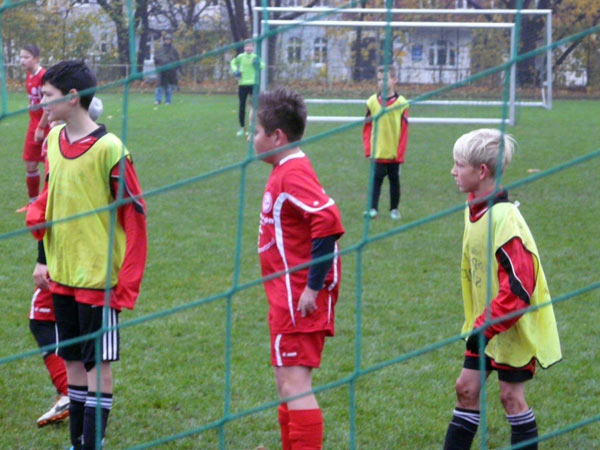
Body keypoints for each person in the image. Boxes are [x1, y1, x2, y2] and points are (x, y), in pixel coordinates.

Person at [26, 60, 147, 449]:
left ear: (72, 97)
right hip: (62, 276)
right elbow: (50, 203)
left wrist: (127, 280)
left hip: (98, 280)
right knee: (74, 362)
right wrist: (44, 257)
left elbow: (135, 217)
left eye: (48, 95)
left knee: (97, 366)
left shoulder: (111, 150)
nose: (41, 102)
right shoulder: (53, 141)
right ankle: (78, 443)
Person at [444, 129, 562, 450]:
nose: (453, 171)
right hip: (487, 324)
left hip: (511, 326)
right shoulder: (474, 208)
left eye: (459, 165)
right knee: (466, 390)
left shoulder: (505, 220)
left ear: (481, 171)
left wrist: (486, 326)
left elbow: (519, 289)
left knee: (511, 398)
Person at [254, 87, 345, 450]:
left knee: (296, 385)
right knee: (286, 384)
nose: (252, 138)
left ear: (277, 136)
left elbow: (328, 220)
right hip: (284, 295)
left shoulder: (293, 173)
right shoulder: (284, 170)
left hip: (299, 298)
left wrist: (312, 287)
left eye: (256, 131)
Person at [28, 96, 104, 429]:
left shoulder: (62, 144)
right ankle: (81, 396)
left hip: (66, 255)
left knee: (44, 319)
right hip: (83, 252)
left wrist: (42, 258)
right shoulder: (90, 142)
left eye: (49, 97)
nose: (44, 104)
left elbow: (52, 205)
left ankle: (72, 394)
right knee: (76, 329)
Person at [362, 65, 409, 220]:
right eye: (379, 79)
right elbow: (367, 128)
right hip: (377, 152)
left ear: (394, 80)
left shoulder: (402, 103)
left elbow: (404, 131)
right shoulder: (372, 102)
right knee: (375, 182)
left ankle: (394, 210)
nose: (381, 82)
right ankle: (373, 209)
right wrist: (368, 150)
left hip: (394, 153)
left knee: (394, 182)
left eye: (385, 79)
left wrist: (400, 154)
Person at [17, 44, 50, 213]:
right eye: (21, 57)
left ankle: (48, 203)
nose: (22, 60)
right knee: (30, 164)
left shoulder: (44, 76)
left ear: (36, 59)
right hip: (34, 126)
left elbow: (49, 104)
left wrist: (41, 127)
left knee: (51, 167)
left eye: (26, 57)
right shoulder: (29, 76)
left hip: (48, 126)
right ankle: (33, 203)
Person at [230, 39, 265, 137]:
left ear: (253, 47)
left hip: (254, 84)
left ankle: (253, 129)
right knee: (242, 106)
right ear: (244, 47)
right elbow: (233, 62)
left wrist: (257, 64)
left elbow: (263, 65)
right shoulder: (241, 57)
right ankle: (242, 128)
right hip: (242, 84)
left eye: (250, 46)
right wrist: (236, 70)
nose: (248, 48)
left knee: (255, 107)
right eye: (247, 46)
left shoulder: (255, 57)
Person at [154, 33, 180, 105]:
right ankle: (158, 100)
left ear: (171, 40)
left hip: (170, 71)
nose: (167, 41)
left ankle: (168, 100)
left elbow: (177, 60)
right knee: (159, 85)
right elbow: (156, 59)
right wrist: (158, 66)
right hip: (161, 69)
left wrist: (174, 68)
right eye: (166, 39)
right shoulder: (160, 49)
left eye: (169, 39)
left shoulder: (174, 50)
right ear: (164, 40)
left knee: (168, 86)